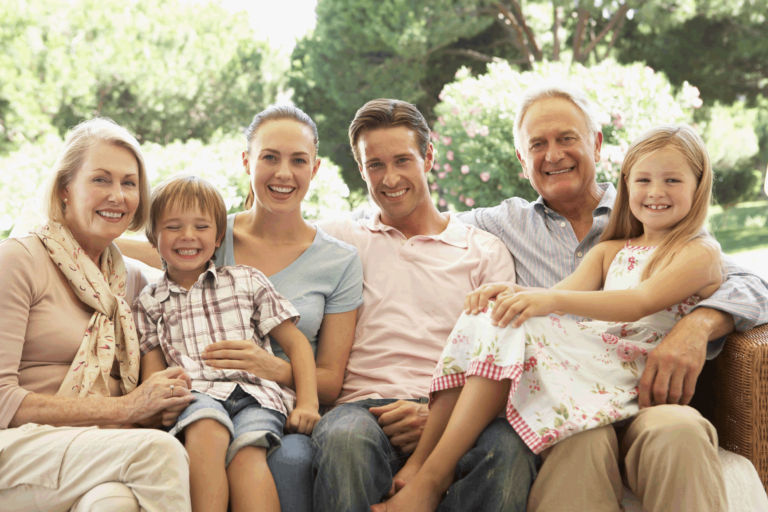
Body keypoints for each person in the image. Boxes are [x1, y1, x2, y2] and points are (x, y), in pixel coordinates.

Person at [375, 124, 724, 511]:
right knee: (495, 314)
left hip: (636, 374)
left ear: (699, 185)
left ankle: (432, 477)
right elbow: (564, 291)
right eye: (644, 180)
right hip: (593, 374)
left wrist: (549, 302)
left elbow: (640, 300)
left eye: (672, 180)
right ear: (627, 184)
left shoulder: (699, 252)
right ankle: (426, 464)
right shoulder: (610, 250)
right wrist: (510, 294)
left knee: (516, 325)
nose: (656, 192)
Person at [456, 85, 768, 511]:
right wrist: (517, 295)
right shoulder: (502, 223)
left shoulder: (671, 231)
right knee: (579, 441)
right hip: (575, 401)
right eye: (538, 144)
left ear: (596, 145)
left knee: (678, 430)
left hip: (651, 398)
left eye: (567, 138)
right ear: (521, 159)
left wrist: (700, 324)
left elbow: (751, 283)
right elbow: (417, 219)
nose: (554, 154)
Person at [117, 105, 363, 512]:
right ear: (247, 161)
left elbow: (326, 376)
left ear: (315, 168)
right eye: (269, 157)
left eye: (298, 160)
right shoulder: (209, 230)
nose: (283, 173)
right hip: (198, 398)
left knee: (261, 454)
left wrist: (270, 369)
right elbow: (148, 243)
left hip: (267, 398)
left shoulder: (329, 262)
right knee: (207, 433)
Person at [311, 98, 536, 512]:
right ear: (360, 169)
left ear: (428, 157)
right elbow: (248, 236)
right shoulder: (341, 239)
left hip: (456, 412)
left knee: (508, 449)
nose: (390, 177)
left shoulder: (483, 250)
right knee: (345, 441)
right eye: (374, 165)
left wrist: (437, 420)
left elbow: (497, 355)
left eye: (402, 160)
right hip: (363, 409)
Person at [0, 118, 194, 512]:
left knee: (116, 503)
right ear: (65, 189)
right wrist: (128, 407)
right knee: (158, 453)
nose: (118, 196)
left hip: (90, 448)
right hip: (16, 446)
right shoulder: (19, 260)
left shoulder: (126, 279)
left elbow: (188, 252)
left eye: (129, 183)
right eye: (101, 180)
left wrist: (163, 400)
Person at [135, 175, 321, 512]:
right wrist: (159, 404)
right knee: (207, 430)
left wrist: (308, 404)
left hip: (257, 396)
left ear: (219, 235)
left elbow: (296, 345)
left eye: (201, 226)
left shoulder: (246, 280)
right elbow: (152, 374)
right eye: (173, 227)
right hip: (196, 397)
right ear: (153, 237)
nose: (188, 236)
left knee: (248, 454)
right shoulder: (150, 301)